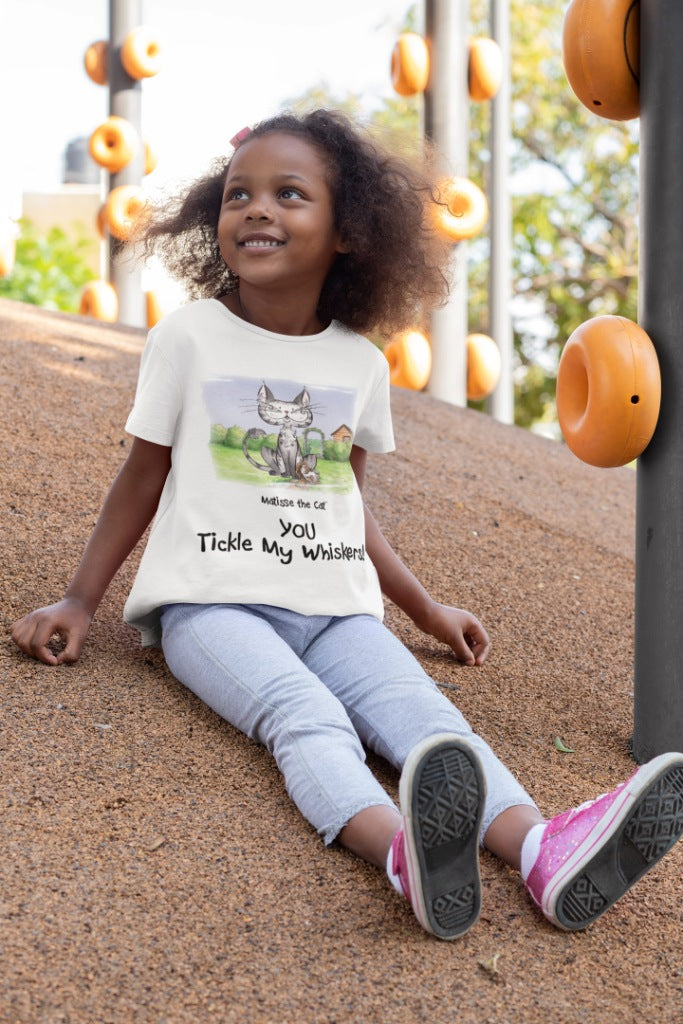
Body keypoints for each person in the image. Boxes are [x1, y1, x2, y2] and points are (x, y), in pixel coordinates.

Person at [12, 109, 683, 939]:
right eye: (237, 196)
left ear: (347, 232)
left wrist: (424, 608)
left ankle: (543, 853)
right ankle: (405, 854)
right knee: (304, 718)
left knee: (435, 727)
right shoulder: (187, 338)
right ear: (210, 220)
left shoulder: (359, 365)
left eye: (288, 194)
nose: (256, 209)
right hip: (212, 606)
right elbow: (141, 478)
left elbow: (345, 503)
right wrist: (80, 600)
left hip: (335, 608)